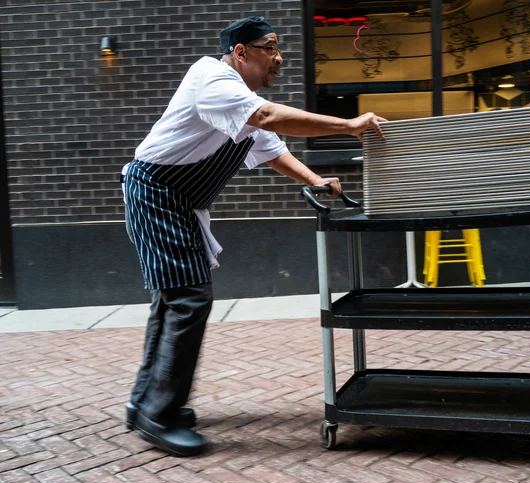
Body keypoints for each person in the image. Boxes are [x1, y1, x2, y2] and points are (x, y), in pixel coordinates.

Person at [122, 15, 386, 457]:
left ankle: (145, 404)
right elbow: (266, 117)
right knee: (187, 299)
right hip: (156, 192)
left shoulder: (241, 102)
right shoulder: (212, 77)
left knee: (172, 300)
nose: (278, 57)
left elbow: (274, 151)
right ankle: (160, 414)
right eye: (269, 47)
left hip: (176, 201)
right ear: (240, 53)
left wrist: (316, 179)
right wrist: (347, 125)